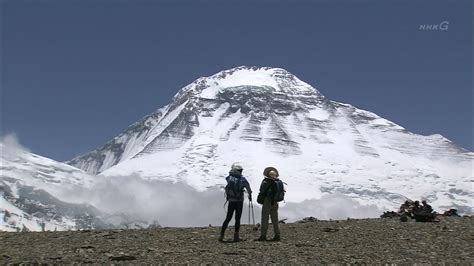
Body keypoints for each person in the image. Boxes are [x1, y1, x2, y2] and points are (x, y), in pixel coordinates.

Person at [219, 164, 252, 242]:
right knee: (237, 218)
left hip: (231, 200)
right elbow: (248, 189)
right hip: (239, 201)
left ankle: (221, 235)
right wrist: (250, 195)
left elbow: (227, 181)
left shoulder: (230, 178)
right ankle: (236, 236)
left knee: (228, 218)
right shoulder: (243, 179)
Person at [256, 169, 281, 241]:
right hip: (275, 202)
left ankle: (263, 236)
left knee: (265, 219)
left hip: (267, 201)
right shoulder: (278, 182)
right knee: (275, 219)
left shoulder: (266, 182)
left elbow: (261, 190)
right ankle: (277, 235)